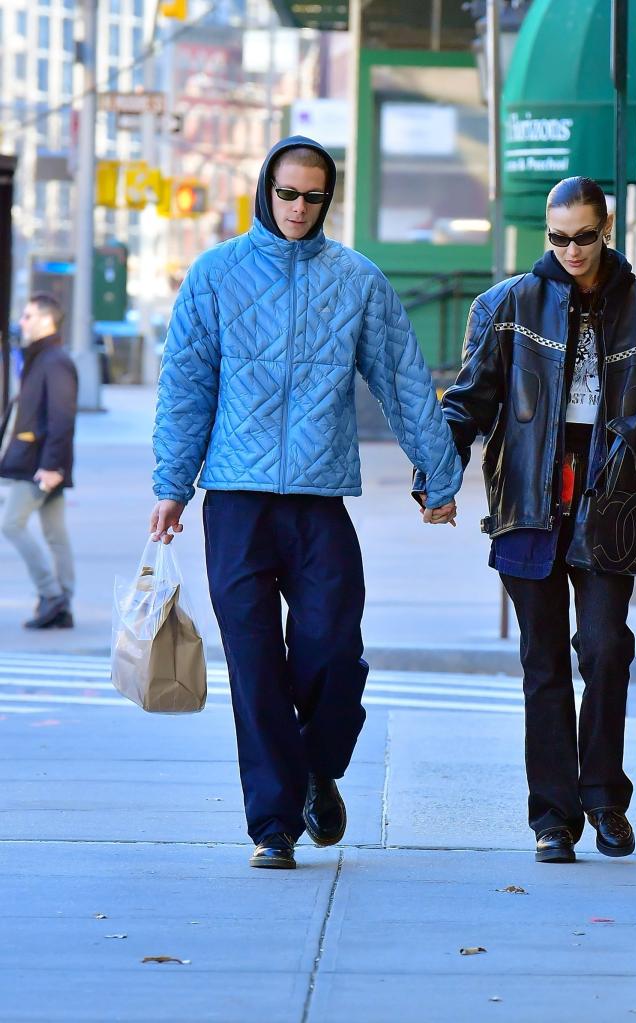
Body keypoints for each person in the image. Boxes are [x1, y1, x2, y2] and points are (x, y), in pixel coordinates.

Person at [150, 136, 461, 870]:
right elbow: (184, 387)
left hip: (320, 501)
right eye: (286, 193)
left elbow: (405, 379)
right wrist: (171, 485)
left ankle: (320, 765)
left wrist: (437, 474)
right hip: (234, 501)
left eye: (311, 196)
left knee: (330, 647)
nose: (296, 207)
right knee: (255, 665)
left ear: (328, 199)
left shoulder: (356, 279)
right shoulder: (215, 274)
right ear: (266, 191)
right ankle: (273, 825)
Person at [432, 176, 636, 864]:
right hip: (529, 502)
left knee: (605, 647)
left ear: (604, 228)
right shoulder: (506, 306)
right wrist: (435, 472)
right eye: (558, 238)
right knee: (543, 662)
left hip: (611, 503)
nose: (571, 250)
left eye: (583, 236)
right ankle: (552, 818)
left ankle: (603, 796)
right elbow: (468, 402)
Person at [0, 293, 77, 629]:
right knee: (55, 534)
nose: (21, 321)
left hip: (39, 466)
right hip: (40, 463)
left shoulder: (55, 361)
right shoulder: (40, 358)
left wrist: (52, 466)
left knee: (10, 524)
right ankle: (62, 605)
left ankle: (51, 594)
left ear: (46, 320)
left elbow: (61, 419)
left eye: (28, 316)